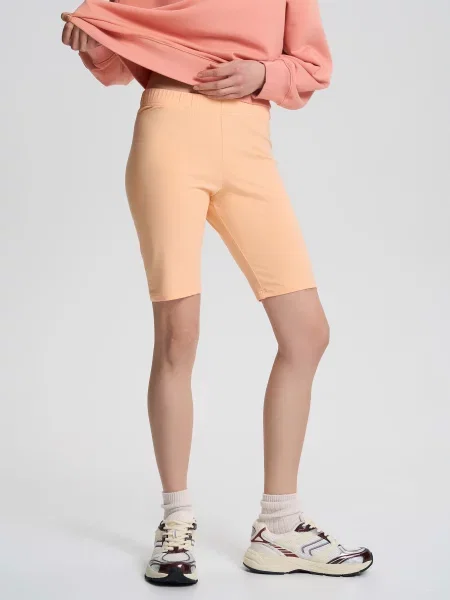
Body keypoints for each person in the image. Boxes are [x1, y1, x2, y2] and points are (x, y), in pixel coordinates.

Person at [61, 0, 373, 587]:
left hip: (250, 140)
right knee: (178, 337)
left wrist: (263, 74)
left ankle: (278, 526)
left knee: (307, 333)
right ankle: (176, 520)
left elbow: (311, 64)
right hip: (170, 130)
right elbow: (122, 50)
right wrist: (95, 44)